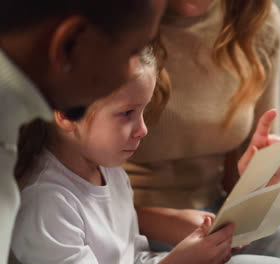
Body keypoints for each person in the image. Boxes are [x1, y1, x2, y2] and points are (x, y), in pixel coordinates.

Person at [10, 48, 280, 264]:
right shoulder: (46, 204)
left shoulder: (109, 172)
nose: (143, 129)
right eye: (126, 114)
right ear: (66, 114)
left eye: (143, 112)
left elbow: (134, 256)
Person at [125, 0, 280, 263]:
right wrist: (165, 222)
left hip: (218, 220)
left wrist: (264, 177)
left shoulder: (252, 17)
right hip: (126, 227)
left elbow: (239, 183)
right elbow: (72, 198)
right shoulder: (112, 22)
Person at [0, 1, 166, 263]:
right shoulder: (43, 199)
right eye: (132, 52)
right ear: (71, 43)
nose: (133, 69)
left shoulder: (110, 172)